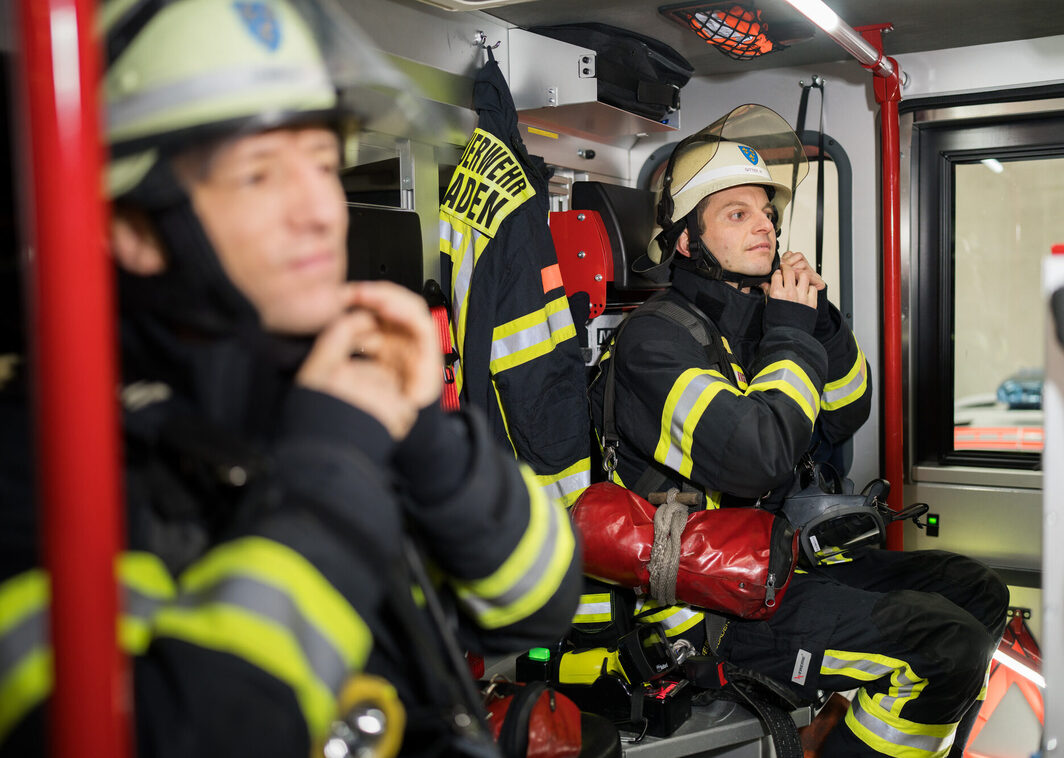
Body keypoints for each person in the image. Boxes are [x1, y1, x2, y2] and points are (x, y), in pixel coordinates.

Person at [0, 0, 580, 755]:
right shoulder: (40, 471)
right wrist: (335, 464)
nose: (320, 211)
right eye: (259, 175)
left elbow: (538, 607)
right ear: (136, 229)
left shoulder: (319, 384)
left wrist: (431, 442)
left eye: (322, 164)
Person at [587, 104, 1008, 758]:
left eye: (765, 212)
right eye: (736, 214)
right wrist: (789, 330)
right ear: (686, 242)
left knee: (977, 591)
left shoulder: (754, 325)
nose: (765, 225)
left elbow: (843, 413)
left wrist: (822, 323)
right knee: (942, 648)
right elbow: (756, 459)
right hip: (703, 603)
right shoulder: (654, 342)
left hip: (778, 560)